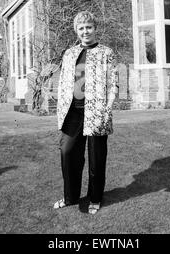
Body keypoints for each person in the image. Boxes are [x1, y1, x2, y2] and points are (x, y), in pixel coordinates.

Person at [54, 11, 118, 215]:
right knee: (67, 152)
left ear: (95, 28)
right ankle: (70, 197)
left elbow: (113, 83)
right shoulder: (70, 53)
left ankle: (95, 198)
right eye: (81, 28)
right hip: (73, 112)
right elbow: (63, 83)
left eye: (88, 27)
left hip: (97, 112)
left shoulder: (106, 52)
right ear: (76, 31)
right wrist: (60, 109)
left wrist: (106, 109)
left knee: (96, 158)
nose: (85, 31)